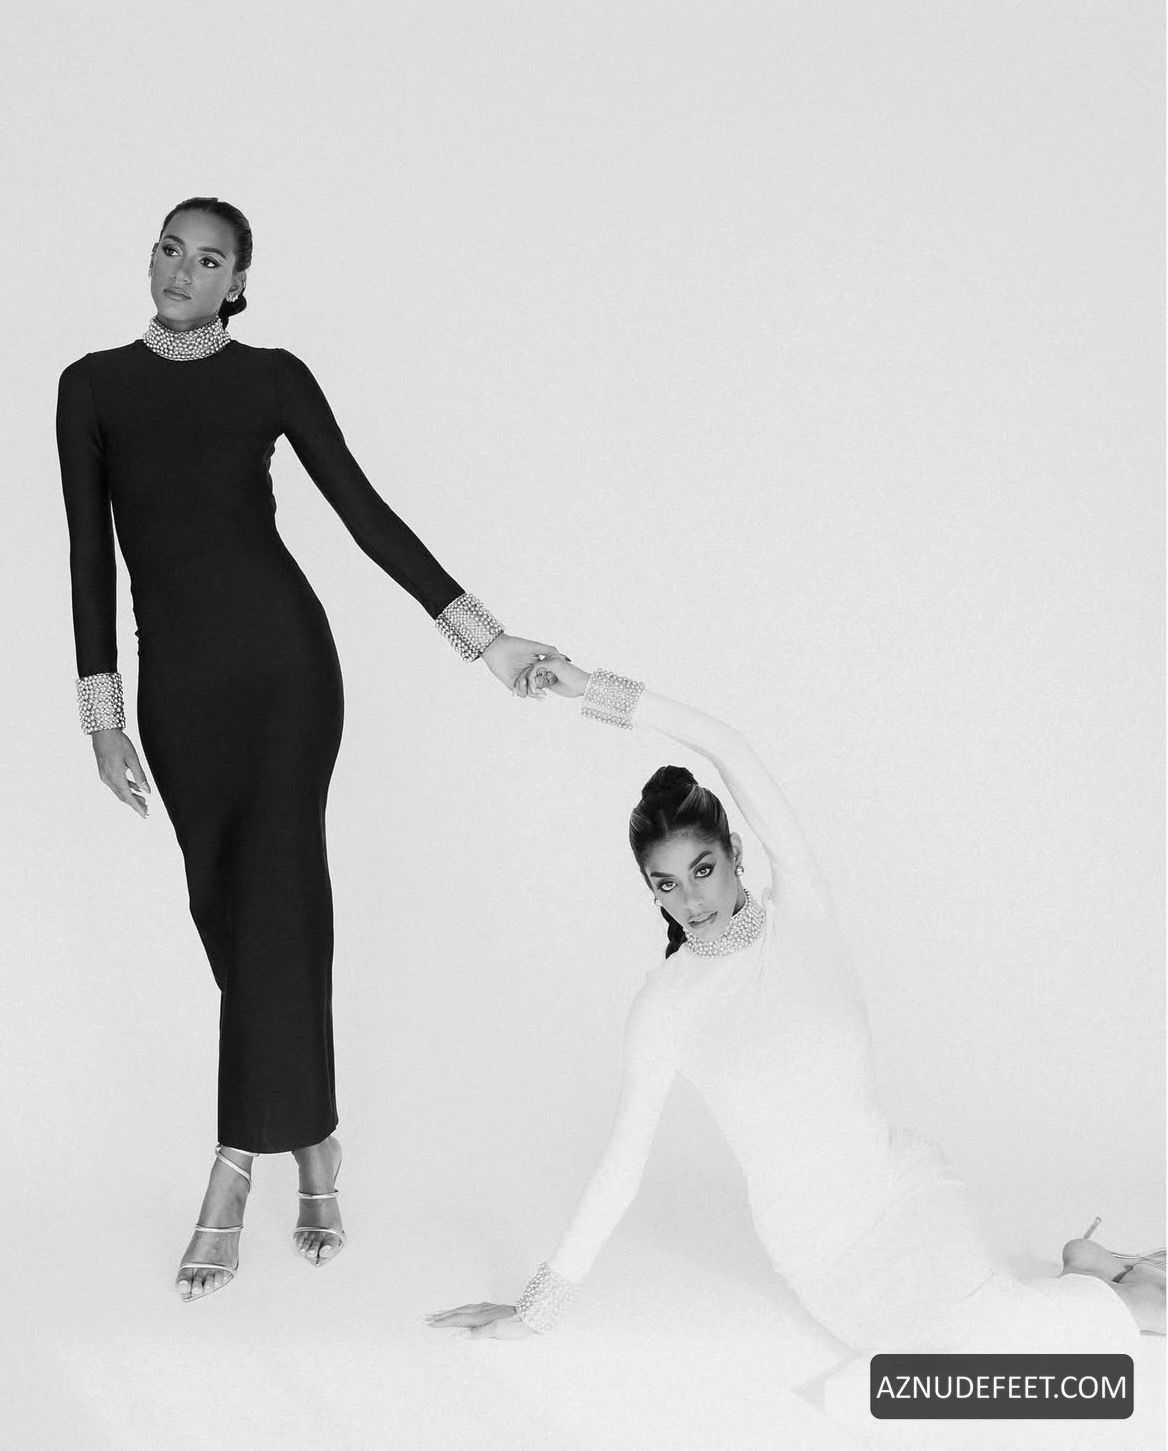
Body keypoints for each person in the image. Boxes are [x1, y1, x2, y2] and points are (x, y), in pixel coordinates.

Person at [57, 196, 559, 1303]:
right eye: (170, 249)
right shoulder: (91, 386)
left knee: (276, 903)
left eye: (210, 260)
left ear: (238, 282)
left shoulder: (273, 377)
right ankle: (317, 1144)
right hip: (179, 691)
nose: (182, 270)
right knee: (230, 914)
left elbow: (365, 515)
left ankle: (234, 1166)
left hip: (285, 674)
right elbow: (90, 556)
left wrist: (486, 639)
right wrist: (103, 715)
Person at [426, 659, 1164, 1370]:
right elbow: (621, 1165)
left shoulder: (802, 912)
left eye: (703, 869)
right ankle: (1107, 1279)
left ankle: (1131, 1293)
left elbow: (728, 745)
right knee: (942, 1367)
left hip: (907, 1193)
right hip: (823, 1252)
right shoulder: (665, 1007)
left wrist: (591, 688)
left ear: (735, 852)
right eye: (666, 884)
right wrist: (539, 1307)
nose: (691, 899)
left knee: (982, 1341)